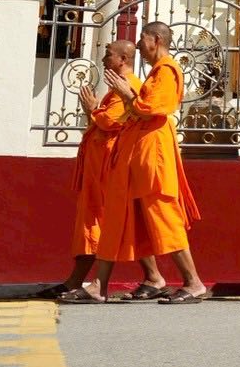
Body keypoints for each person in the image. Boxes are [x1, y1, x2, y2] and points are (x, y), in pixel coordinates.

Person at [77, 22, 206, 304]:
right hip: (135, 151)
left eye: (142, 39)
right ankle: (103, 284)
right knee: (122, 215)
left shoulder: (167, 70)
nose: (138, 45)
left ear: (155, 40)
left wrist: (126, 95)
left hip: (152, 152)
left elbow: (152, 110)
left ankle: (194, 282)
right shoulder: (154, 74)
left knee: (163, 215)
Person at [39, 41, 164, 301]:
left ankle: (131, 280)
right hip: (98, 167)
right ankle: (79, 281)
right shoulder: (114, 90)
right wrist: (93, 111)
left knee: (112, 223)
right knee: (96, 224)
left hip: (112, 166)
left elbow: (110, 122)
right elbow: (99, 124)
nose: (104, 58)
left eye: (108, 55)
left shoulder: (130, 87)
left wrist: (93, 109)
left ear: (123, 58)